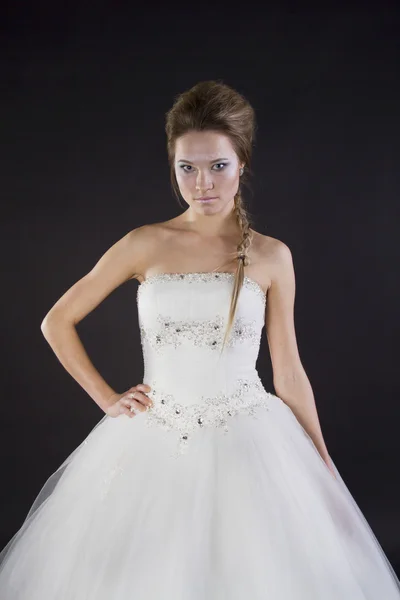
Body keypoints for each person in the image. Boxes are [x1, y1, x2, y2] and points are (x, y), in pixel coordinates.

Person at [0, 80, 399, 599]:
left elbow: (289, 371)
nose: (202, 184)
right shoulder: (145, 243)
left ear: (242, 166)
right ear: (173, 167)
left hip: (252, 440)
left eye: (218, 166)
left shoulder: (272, 256)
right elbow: (56, 321)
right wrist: (108, 399)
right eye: (186, 167)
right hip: (155, 435)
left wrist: (324, 471)